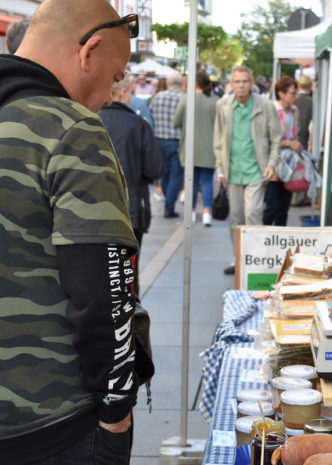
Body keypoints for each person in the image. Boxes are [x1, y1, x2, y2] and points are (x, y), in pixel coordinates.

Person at [0, 1, 148, 463]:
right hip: (51, 419)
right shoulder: (71, 128)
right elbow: (104, 289)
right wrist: (116, 411)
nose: (110, 94)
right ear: (90, 50)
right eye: (117, 75)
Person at [214, 65, 282, 274]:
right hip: (233, 169)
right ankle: (238, 258)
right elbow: (218, 138)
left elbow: (276, 137)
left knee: (253, 213)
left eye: (245, 81)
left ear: (251, 84)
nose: (241, 85)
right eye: (237, 82)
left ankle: (255, 259)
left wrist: (272, 162)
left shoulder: (265, 105)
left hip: (256, 169)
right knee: (235, 218)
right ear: (231, 84)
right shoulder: (223, 105)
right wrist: (220, 169)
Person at [99, 74, 163, 296]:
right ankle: (131, 323)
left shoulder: (90, 120)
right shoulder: (138, 124)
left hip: (94, 211)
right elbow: (154, 169)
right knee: (128, 273)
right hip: (132, 208)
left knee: (99, 274)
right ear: (124, 92)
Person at [174, 70, 219, 226]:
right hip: (210, 147)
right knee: (207, 181)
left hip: (190, 147)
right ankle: (207, 212)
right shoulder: (215, 101)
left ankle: (191, 212)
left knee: (190, 181)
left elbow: (176, 122)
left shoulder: (187, 100)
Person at [263, 76, 301, 226]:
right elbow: (266, 139)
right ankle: (263, 236)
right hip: (274, 163)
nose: (295, 97)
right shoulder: (271, 109)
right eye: (292, 93)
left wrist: (296, 144)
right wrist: (289, 143)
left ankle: (279, 242)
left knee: (284, 208)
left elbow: (295, 132)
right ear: (281, 94)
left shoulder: (294, 110)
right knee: (272, 206)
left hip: (289, 162)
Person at [150, 71, 185, 218]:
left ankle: (167, 201)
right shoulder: (184, 99)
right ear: (181, 83)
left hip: (159, 140)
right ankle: (169, 206)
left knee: (164, 173)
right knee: (176, 176)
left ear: (168, 83)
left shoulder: (157, 97)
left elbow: (150, 116)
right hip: (177, 141)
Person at [296, 74, 313, 152]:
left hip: (293, 138)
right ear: (310, 88)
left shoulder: (293, 100)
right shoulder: (311, 101)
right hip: (305, 138)